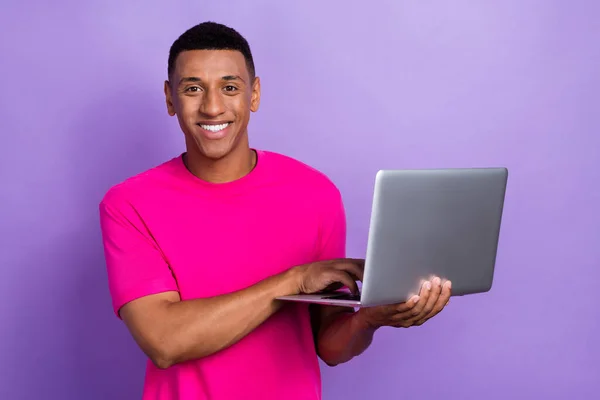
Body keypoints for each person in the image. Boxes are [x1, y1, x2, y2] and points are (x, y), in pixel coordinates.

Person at [99, 21, 451, 400]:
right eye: (193, 89)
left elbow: (329, 345)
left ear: (255, 94)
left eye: (230, 87)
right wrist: (293, 281)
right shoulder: (129, 204)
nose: (213, 106)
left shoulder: (316, 194)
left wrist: (369, 319)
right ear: (170, 98)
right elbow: (164, 341)